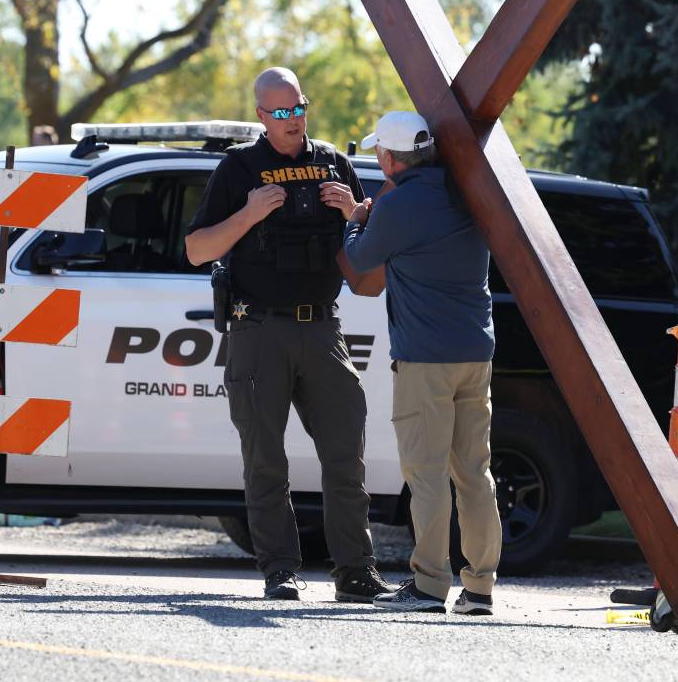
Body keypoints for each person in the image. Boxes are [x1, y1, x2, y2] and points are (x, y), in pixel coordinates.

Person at [185, 67, 392, 602]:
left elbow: (366, 259)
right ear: (260, 116)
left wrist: (354, 213)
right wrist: (248, 215)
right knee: (265, 459)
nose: (292, 119)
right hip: (259, 330)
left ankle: (356, 571)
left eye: (298, 107)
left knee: (346, 455)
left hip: (323, 327)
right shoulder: (239, 168)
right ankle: (280, 570)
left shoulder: (333, 163)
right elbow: (197, 249)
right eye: (280, 112)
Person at [342, 110, 501, 615]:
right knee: (475, 473)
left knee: (427, 475)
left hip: (424, 360)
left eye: (377, 153)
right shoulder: (467, 191)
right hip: (476, 354)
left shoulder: (398, 204)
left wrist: (354, 220)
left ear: (390, 159)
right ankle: (479, 589)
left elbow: (358, 263)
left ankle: (429, 586)